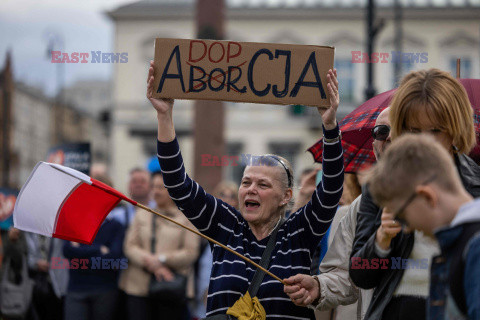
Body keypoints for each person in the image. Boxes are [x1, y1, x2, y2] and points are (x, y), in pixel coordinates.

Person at [148, 59, 344, 319]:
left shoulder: (299, 231)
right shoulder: (225, 225)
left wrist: (330, 126)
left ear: (286, 196)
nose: (250, 189)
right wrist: (164, 115)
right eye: (246, 182)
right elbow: (177, 184)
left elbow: (330, 190)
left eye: (263, 185)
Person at [350, 68, 480, 320]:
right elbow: (359, 275)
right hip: (395, 310)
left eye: (435, 131)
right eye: (413, 131)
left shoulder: (476, 184)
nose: (425, 142)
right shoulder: (384, 184)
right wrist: (381, 240)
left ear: (455, 129)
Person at [283, 107, 390, 320]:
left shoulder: (459, 196)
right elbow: (345, 275)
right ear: (374, 145)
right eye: (381, 131)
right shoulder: (359, 207)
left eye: (403, 128)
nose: (390, 137)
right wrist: (319, 286)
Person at [367, 134, 480, 320]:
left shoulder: (474, 246)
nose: (406, 229)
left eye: (402, 217)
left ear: (427, 196)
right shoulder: (460, 242)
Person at [119, 171, 200, 320]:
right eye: (153, 187)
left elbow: (191, 252)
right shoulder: (142, 214)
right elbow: (129, 246)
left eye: (161, 187)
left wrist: (162, 259)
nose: (156, 191)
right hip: (138, 287)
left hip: (170, 287)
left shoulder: (187, 218)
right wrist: (153, 263)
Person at [62, 174, 126, 320]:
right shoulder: (75, 222)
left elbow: (114, 258)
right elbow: (67, 251)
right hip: (76, 289)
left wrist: (80, 253)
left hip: (105, 290)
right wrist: (99, 249)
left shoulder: (116, 226)